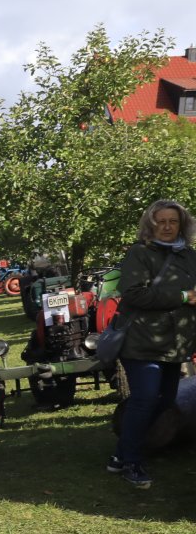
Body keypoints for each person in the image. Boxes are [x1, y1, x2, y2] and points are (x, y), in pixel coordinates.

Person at [108, 199, 196, 489]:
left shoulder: (189, 256)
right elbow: (133, 293)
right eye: (161, 221)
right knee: (144, 399)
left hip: (175, 343)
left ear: (182, 225)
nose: (167, 227)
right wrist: (182, 297)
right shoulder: (140, 253)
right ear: (151, 224)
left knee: (166, 402)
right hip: (141, 341)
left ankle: (121, 453)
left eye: (173, 221)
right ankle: (132, 462)